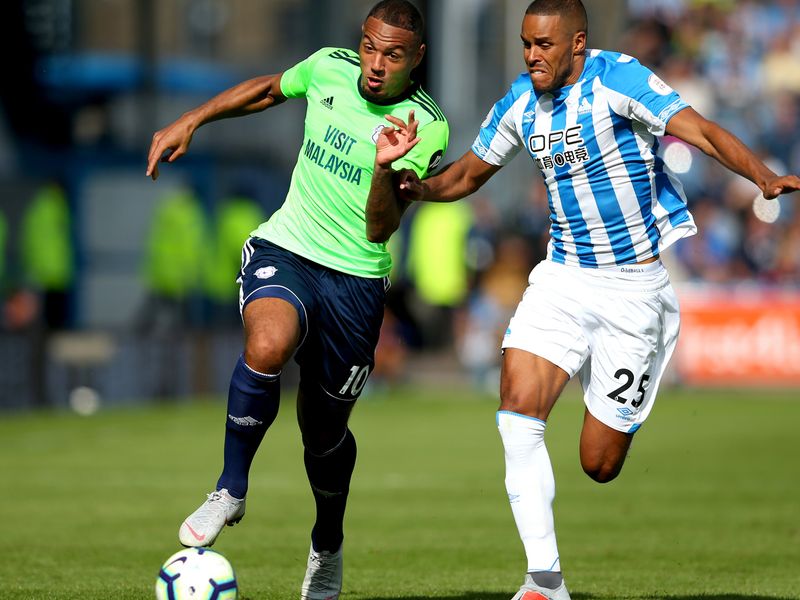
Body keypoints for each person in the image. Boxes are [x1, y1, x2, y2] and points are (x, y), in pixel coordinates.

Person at [371, 1, 800, 599]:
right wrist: (416, 186)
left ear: (577, 44)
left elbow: (695, 129)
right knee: (517, 412)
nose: (531, 55)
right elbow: (469, 174)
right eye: (526, 44)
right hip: (563, 279)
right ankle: (543, 580)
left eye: (544, 45)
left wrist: (760, 174)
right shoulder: (521, 100)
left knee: (599, 464)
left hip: (633, 292)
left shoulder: (618, 78)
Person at [145, 2, 447, 598]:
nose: (375, 63)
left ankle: (327, 543)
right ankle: (231, 488)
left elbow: (381, 229)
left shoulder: (425, 125)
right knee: (267, 342)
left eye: (392, 54)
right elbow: (266, 90)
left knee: (324, 435)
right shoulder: (329, 67)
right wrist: (193, 119)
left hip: (356, 283)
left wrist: (386, 169)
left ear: (417, 58)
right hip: (289, 246)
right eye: (369, 46)